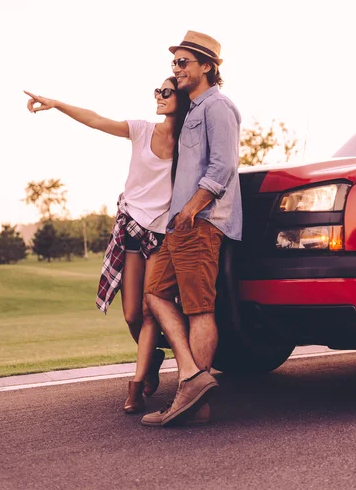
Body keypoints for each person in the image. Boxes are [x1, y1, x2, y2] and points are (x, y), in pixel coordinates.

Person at [24, 77, 190, 413]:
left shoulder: (189, 144)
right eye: (157, 90)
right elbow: (97, 120)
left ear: (181, 99)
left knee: (148, 310)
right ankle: (154, 358)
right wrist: (57, 104)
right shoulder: (142, 130)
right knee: (131, 314)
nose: (158, 95)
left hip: (160, 238)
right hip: (131, 229)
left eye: (166, 91)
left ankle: (135, 385)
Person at [141, 31, 242, 427]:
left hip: (199, 223)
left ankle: (195, 403)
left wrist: (191, 211)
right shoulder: (194, 109)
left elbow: (222, 167)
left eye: (184, 62)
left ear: (207, 67)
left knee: (200, 308)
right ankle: (192, 378)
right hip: (179, 226)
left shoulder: (218, 107)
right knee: (155, 294)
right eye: (174, 64)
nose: (177, 69)